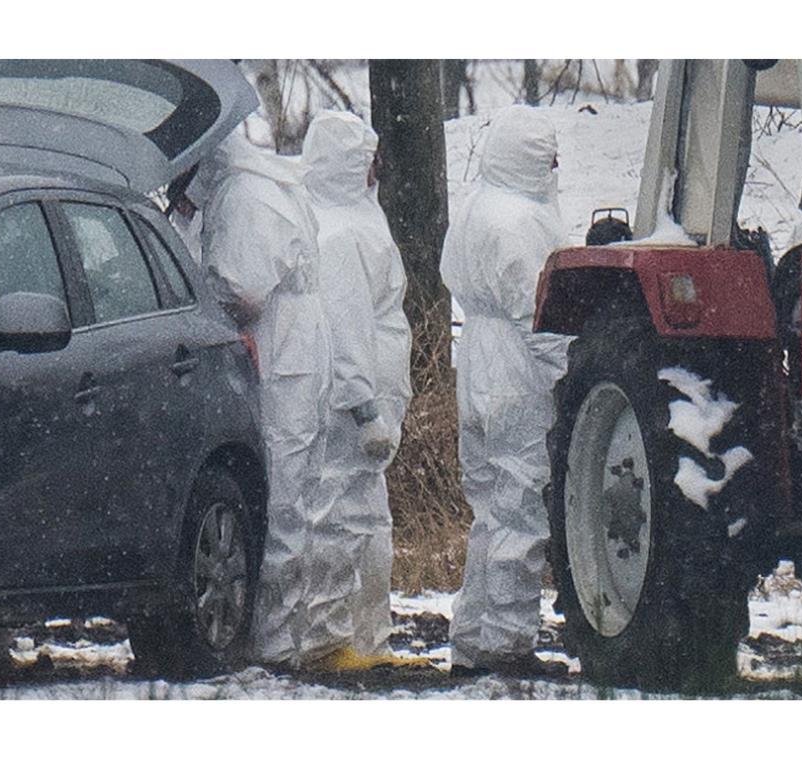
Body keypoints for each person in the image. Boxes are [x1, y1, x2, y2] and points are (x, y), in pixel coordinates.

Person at [190, 126, 332, 668]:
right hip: (300, 345)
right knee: (291, 496)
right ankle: (282, 634)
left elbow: (243, 290)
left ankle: (271, 641)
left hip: (280, 350)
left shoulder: (245, 196)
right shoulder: (270, 186)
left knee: (279, 497)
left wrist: (201, 292)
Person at [439, 106, 570, 675]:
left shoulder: (475, 208)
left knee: (490, 509)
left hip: (476, 361)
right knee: (518, 507)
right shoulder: (521, 220)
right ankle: (508, 644)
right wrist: (565, 377)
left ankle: (473, 639)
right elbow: (538, 314)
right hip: (515, 369)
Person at [299, 111, 413, 667]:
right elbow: (346, 329)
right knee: (337, 521)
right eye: (368, 162)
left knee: (366, 524)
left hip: (368, 405)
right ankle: (325, 639)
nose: (377, 172)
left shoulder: (350, 221)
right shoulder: (341, 233)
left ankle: (368, 641)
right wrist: (364, 405)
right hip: (353, 411)